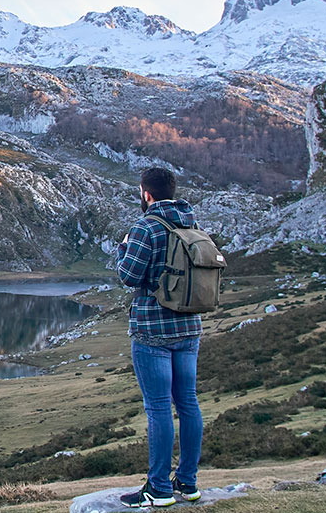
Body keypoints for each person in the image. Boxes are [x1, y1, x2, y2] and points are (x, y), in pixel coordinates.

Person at [115, 167, 206, 507]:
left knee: (157, 408)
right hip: (189, 329)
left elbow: (129, 275)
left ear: (146, 194)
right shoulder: (190, 223)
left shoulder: (145, 226)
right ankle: (188, 482)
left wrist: (122, 249)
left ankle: (159, 488)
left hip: (153, 332)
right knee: (188, 403)